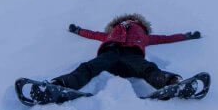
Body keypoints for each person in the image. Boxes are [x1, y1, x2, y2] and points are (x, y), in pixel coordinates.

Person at [51, 12, 201, 91]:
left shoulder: (144, 35)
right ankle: (61, 84)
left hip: (131, 57)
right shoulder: (110, 33)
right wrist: (78, 30)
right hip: (111, 53)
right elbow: (93, 34)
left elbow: (165, 38)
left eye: (133, 21)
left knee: (147, 68)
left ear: (139, 24)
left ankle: (172, 82)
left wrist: (186, 36)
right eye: (126, 21)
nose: (129, 23)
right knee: (89, 67)